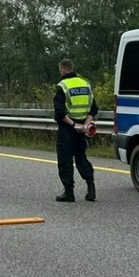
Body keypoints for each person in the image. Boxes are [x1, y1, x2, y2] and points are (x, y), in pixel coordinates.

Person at [53, 58, 98, 202]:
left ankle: (69, 193)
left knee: (65, 159)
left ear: (62, 70)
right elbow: (93, 109)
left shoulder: (63, 86)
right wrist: (85, 125)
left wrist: (73, 125)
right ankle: (91, 188)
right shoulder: (86, 84)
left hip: (68, 128)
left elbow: (60, 112)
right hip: (82, 129)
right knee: (81, 158)